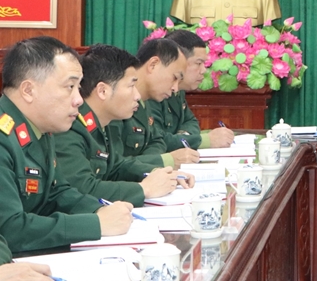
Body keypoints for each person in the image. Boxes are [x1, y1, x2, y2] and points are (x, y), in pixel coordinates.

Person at [0, 36, 133, 253]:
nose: (79, 99)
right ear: (28, 90)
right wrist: (95, 225)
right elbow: (10, 229)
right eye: (70, 86)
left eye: (78, 87)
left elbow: (57, 192)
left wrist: (99, 210)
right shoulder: (4, 138)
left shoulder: (39, 127)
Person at [55, 45, 195, 207]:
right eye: (131, 86)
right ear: (103, 91)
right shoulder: (69, 127)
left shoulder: (101, 123)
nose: (137, 95)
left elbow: (116, 166)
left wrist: (159, 174)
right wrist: (143, 189)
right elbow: (83, 188)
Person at [113, 39, 199, 169]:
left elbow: (157, 141)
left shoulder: (145, 101)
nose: (175, 88)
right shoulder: (116, 101)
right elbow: (114, 166)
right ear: (153, 65)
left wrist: (151, 162)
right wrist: (164, 161)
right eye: (174, 78)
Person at [151, 30, 235, 150]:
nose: (203, 70)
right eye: (199, 63)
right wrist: (204, 140)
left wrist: (184, 136)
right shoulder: (152, 92)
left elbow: (190, 121)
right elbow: (156, 141)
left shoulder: (178, 89)